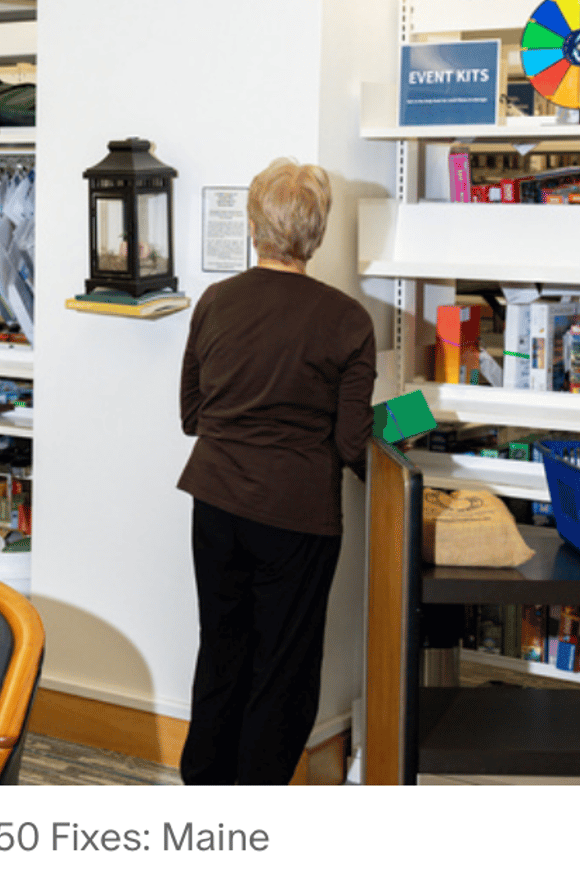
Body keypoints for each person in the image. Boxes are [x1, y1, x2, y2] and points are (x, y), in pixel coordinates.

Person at [177, 157, 376, 785]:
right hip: (297, 517)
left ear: (254, 224)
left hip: (214, 502)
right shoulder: (347, 321)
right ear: (315, 234)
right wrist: (411, 417)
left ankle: (205, 788)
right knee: (282, 667)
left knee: (222, 647)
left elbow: (192, 414)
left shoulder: (215, 301)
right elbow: (352, 443)